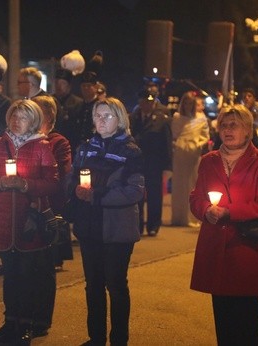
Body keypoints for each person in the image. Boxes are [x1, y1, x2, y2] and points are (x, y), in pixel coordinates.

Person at [189, 104, 258, 345]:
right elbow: (196, 196)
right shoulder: (209, 161)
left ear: (248, 130)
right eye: (224, 125)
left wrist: (228, 212)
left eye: (234, 125)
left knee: (246, 322)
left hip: (244, 247)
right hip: (215, 245)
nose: (228, 130)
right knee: (223, 319)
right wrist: (206, 210)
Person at [0, 99, 58, 344]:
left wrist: (27, 185)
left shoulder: (42, 146)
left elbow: (53, 181)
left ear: (33, 120)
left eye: (23, 117)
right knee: (10, 273)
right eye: (14, 116)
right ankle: (10, 320)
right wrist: (2, 183)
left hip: (28, 220)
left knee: (27, 274)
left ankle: (26, 323)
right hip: (3, 217)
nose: (16, 121)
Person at [67, 97, 144, 345]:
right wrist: (73, 192)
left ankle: (119, 340)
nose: (101, 121)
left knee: (116, 286)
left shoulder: (130, 151)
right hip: (90, 227)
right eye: (97, 116)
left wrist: (96, 196)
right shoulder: (86, 147)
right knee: (93, 286)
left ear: (120, 119)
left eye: (107, 116)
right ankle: (96, 338)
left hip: (116, 230)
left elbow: (134, 191)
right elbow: (71, 180)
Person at [32, 94, 73, 336]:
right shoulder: (22, 139)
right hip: (24, 209)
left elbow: (59, 177)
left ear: (47, 117)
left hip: (48, 210)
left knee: (43, 267)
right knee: (22, 268)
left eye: (35, 112)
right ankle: (18, 317)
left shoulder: (59, 143)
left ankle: (41, 320)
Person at [129, 88, 172, 236]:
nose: (146, 105)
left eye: (149, 102)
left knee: (154, 195)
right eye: (143, 102)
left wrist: (167, 166)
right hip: (137, 163)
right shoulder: (134, 118)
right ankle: (138, 224)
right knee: (138, 194)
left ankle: (153, 225)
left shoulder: (161, 119)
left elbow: (167, 144)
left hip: (154, 163)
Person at [170, 91, 209, 227]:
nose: (187, 105)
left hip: (194, 153)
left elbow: (205, 136)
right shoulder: (177, 117)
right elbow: (174, 135)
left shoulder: (200, 118)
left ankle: (192, 217)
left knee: (192, 184)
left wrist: (198, 144)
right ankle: (179, 217)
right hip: (181, 153)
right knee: (180, 184)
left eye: (190, 103)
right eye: (185, 102)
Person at [52, 67, 83, 140]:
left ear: (69, 85)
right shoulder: (50, 100)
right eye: (57, 83)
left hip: (71, 140)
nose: (59, 86)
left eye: (63, 83)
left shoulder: (78, 103)